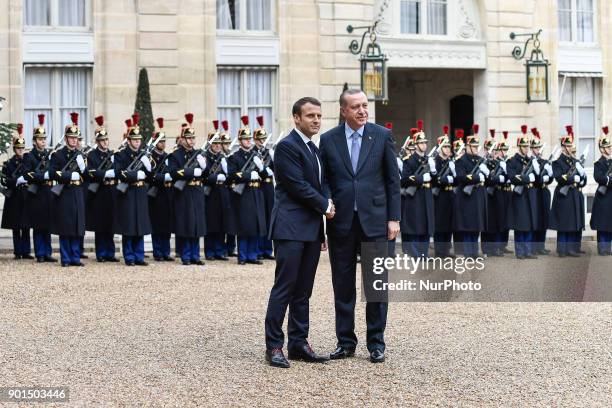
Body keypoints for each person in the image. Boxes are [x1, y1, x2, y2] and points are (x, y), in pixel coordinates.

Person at [319, 89, 401, 363]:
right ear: (344, 111)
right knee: (342, 285)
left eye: (365, 105)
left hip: (376, 221)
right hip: (340, 222)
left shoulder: (381, 135)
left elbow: (392, 181)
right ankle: (345, 342)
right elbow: (325, 180)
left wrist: (394, 218)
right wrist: (327, 202)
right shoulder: (328, 140)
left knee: (376, 286)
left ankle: (376, 343)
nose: (362, 111)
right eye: (356, 107)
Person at [264, 97, 332, 368]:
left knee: (303, 291)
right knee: (284, 287)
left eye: (318, 115)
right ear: (296, 118)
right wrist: (325, 205)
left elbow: (320, 183)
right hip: (290, 228)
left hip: (310, 229)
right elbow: (297, 186)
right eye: (310, 116)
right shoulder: (287, 147)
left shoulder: (314, 149)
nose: (316, 120)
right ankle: (274, 346)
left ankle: (298, 343)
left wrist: (321, 227)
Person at [167, 113, 208, 266]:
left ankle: (196, 255)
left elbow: (207, 173)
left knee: (197, 225)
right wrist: (191, 172)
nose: (191, 141)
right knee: (186, 225)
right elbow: (173, 172)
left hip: (196, 191)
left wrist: (204, 167)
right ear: (182, 139)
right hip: (183, 193)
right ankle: (186, 255)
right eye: (188, 138)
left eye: (193, 138)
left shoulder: (198, 154)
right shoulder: (175, 155)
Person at [113, 114, 152, 266]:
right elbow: (118, 172)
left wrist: (148, 167)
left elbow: (151, 175)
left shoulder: (143, 155)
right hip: (128, 192)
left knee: (140, 225)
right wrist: (136, 174)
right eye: (134, 140)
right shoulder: (121, 155)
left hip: (140, 192)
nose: (137, 142)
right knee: (128, 225)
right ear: (128, 141)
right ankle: (129, 256)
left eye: (139, 140)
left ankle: (139, 256)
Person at [227, 116, 267, 265]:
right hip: (244, 195)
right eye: (245, 139)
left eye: (249, 138)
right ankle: (243, 256)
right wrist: (248, 175)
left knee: (256, 225)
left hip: (256, 193)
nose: (248, 141)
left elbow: (265, 175)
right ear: (240, 141)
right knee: (244, 225)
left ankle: (253, 255)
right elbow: (231, 175)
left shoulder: (256, 156)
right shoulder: (235, 157)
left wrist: (262, 167)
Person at [49, 113, 86, 267]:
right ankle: (65, 258)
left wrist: (83, 168)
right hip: (64, 193)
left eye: (76, 137)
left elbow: (87, 176)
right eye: (71, 137)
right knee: (65, 227)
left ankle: (75, 258)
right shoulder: (58, 155)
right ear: (66, 138)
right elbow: (52, 172)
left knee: (77, 225)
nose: (74, 140)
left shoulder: (81, 155)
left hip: (77, 192)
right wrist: (69, 176)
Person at [85, 115, 119, 262]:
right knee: (100, 224)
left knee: (111, 223)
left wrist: (113, 171)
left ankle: (110, 253)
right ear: (98, 141)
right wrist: (106, 174)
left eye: (106, 140)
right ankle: (101, 253)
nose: (105, 142)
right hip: (99, 191)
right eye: (102, 140)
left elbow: (119, 170)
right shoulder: (92, 155)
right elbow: (91, 172)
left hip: (111, 191)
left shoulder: (112, 155)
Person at [23, 115, 56, 262]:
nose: (43, 141)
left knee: (48, 223)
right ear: (35, 141)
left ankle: (47, 252)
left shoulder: (49, 156)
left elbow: (54, 171)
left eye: (44, 139)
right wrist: (41, 177)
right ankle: (40, 253)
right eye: (40, 139)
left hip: (48, 192)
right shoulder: (29, 156)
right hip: (36, 193)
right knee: (38, 224)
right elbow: (27, 174)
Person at [549, 126, 586, 257]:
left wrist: (582, 179)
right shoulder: (558, 162)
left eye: (571, 145)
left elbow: (583, 178)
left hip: (575, 193)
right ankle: (563, 249)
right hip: (564, 195)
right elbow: (559, 177)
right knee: (564, 222)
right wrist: (572, 178)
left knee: (573, 221)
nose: (571, 148)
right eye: (569, 146)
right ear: (563, 147)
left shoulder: (575, 161)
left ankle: (573, 247)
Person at [400, 120, 435, 257]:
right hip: (415, 197)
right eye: (421, 143)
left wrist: (433, 172)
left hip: (426, 195)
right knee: (415, 225)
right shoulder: (409, 160)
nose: (424, 145)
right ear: (415, 145)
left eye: (425, 142)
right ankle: (415, 254)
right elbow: (404, 179)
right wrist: (421, 179)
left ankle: (424, 254)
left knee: (426, 224)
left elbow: (435, 180)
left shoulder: (428, 160)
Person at [452, 124, 488, 259]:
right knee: (467, 226)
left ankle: (474, 252)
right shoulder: (461, 160)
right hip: (467, 197)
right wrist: (478, 177)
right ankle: (468, 252)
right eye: (473, 146)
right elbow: (461, 176)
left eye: (476, 146)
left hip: (478, 196)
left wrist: (486, 173)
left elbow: (487, 178)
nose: (475, 149)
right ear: (467, 146)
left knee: (477, 225)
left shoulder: (480, 160)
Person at [506, 125, 539, 259]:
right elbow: (512, 177)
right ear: (519, 147)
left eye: (527, 147)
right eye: (524, 146)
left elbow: (537, 178)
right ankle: (520, 251)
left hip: (530, 194)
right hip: (520, 195)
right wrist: (526, 178)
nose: (526, 149)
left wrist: (537, 173)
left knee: (530, 223)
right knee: (520, 224)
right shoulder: (513, 161)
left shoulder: (531, 160)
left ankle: (528, 250)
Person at [1, 125, 32, 259]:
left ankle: (26, 251)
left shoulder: (28, 162)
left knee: (26, 225)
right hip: (14, 196)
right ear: (14, 149)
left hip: (25, 195)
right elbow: (4, 181)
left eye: (22, 148)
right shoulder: (9, 163)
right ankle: (17, 251)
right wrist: (15, 182)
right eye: (18, 148)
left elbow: (32, 175)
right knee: (15, 226)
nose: (20, 150)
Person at [148, 118, 175, 262]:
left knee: (166, 225)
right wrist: (162, 178)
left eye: (164, 141)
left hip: (166, 193)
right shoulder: (150, 157)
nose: (163, 144)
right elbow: (151, 176)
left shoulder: (167, 157)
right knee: (157, 225)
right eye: (160, 141)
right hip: (156, 194)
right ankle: (158, 252)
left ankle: (166, 251)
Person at [204, 120, 231, 261]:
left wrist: (226, 172)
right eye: (214, 144)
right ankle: (209, 251)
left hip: (222, 192)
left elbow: (230, 175)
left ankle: (220, 250)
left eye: (219, 144)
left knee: (222, 223)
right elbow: (204, 176)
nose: (217, 146)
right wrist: (215, 178)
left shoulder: (223, 157)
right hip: (211, 192)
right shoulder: (205, 158)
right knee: (211, 223)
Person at [253, 116, 275, 261]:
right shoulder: (253, 154)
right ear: (255, 140)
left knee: (269, 217)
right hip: (258, 186)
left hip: (268, 186)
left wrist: (274, 161)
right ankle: (259, 249)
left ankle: (268, 249)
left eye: (264, 139)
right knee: (260, 218)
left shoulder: (268, 152)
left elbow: (276, 170)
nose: (262, 142)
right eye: (259, 139)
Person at [432, 126, 455, 257]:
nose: (448, 149)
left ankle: (446, 249)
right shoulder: (436, 161)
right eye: (446, 147)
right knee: (440, 224)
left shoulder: (450, 162)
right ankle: (439, 250)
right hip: (439, 196)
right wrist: (448, 179)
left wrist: (453, 176)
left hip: (449, 195)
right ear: (440, 148)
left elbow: (456, 180)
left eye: (449, 147)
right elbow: (437, 180)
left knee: (449, 223)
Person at [590, 127, 612, 256]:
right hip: (603, 197)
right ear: (602, 149)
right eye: (608, 147)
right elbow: (598, 177)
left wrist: (608, 179)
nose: (610, 148)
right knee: (603, 223)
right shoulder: (598, 163)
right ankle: (602, 248)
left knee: (610, 222)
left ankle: (608, 248)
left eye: (610, 146)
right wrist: (609, 180)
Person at [531, 129, 553, 255]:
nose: (538, 150)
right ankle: (534, 246)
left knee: (544, 219)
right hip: (535, 192)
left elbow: (550, 178)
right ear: (532, 149)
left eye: (539, 148)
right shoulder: (530, 162)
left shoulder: (544, 162)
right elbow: (534, 179)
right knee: (536, 219)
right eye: (535, 148)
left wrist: (548, 176)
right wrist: (541, 177)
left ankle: (541, 245)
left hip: (544, 192)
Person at [220, 121, 238, 258]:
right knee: (222, 221)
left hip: (234, 191)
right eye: (225, 144)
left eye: (228, 143)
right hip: (222, 190)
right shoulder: (219, 158)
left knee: (233, 221)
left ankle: (231, 247)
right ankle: (222, 248)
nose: (227, 146)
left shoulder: (232, 157)